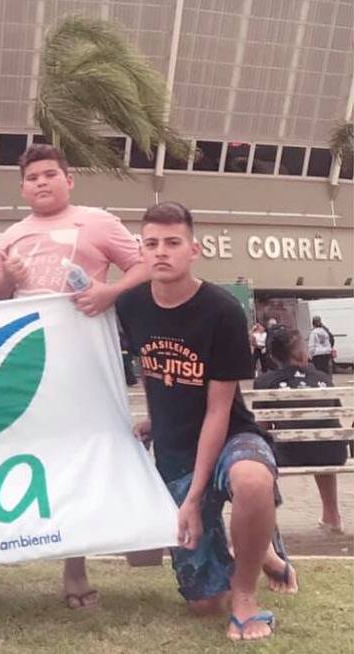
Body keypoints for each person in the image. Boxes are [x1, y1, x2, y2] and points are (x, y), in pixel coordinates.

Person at [0, 143, 150, 610]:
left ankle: (76, 573)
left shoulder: (98, 222)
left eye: (51, 174)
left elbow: (144, 265)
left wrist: (108, 292)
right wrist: (8, 276)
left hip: (83, 367)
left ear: (69, 180)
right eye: (33, 178)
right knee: (4, 458)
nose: (42, 183)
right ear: (22, 187)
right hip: (22, 367)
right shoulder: (11, 236)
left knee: (76, 462)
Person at [117, 201, 296, 642]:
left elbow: (218, 409)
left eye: (173, 243)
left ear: (193, 249)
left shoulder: (221, 310)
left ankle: (246, 597)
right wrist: (155, 424)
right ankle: (262, 551)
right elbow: (158, 376)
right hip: (174, 447)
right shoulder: (131, 305)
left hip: (230, 435)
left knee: (251, 480)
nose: (161, 252)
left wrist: (194, 497)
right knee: (201, 605)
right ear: (141, 250)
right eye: (151, 243)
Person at [254, 328, 346, 534]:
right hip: (332, 453)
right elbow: (334, 417)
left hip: (289, 454)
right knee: (323, 440)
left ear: (273, 356)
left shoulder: (265, 382)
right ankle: (332, 516)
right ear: (300, 354)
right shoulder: (324, 378)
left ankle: (269, 520)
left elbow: (263, 427)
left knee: (260, 451)